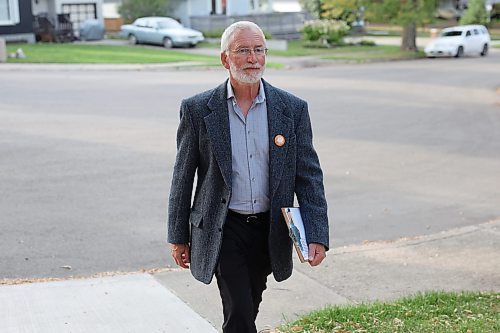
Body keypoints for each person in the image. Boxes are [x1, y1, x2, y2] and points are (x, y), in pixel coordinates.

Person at [167, 21, 329, 333]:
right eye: (243, 51)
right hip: (222, 226)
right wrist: (178, 236)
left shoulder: (292, 109)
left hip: (271, 228)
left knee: (249, 302)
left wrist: (317, 233)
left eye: (258, 50)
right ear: (225, 59)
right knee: (239, 309)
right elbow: (182, 178)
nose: (253, 58)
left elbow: (308, 175)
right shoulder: (198, 109)